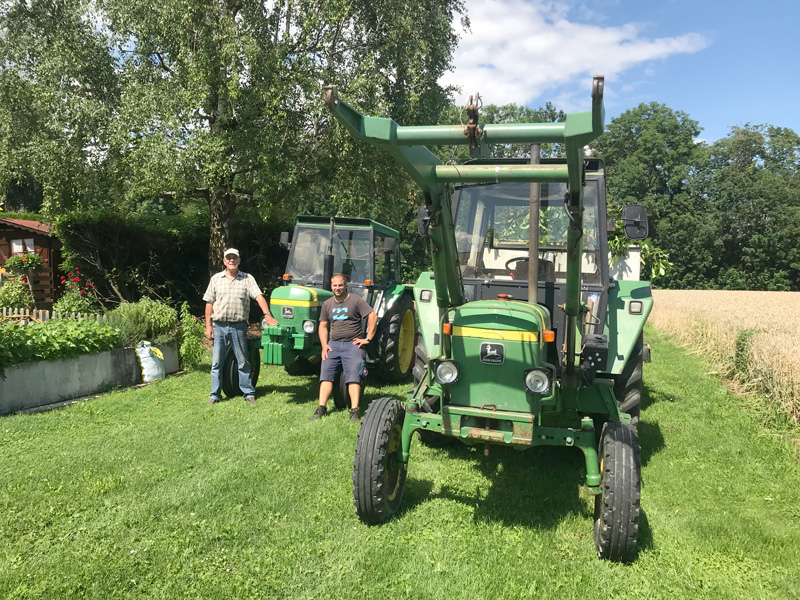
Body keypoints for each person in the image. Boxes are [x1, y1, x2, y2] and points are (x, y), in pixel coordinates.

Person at [203, 248, 278, 404]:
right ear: (224, 261)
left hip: (238, 326)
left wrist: (268, 315)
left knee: (243, 361)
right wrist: (208, 326)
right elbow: (209, 303)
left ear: (239, 260)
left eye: (234, 258)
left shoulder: (247, 279)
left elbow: (259, 296)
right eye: (228, 258)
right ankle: (214, 395)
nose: (231, 260)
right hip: (219, 326)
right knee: (217, 362)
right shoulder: (216, 279)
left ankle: (248, 393)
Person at [310, 273, 377, 422]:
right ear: (331, 287)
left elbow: (372, 316)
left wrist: (367, 338)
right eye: (335, 285)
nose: (338, 288)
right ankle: (321, 408)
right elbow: (323, 325)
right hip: (333, 344)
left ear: (345, 285)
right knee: (325, 375)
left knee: (354, 375)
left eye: (340, 285)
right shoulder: (327, 304)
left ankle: (354, 411)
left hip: (352, 344)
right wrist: (324, 345)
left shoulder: (356, 300)